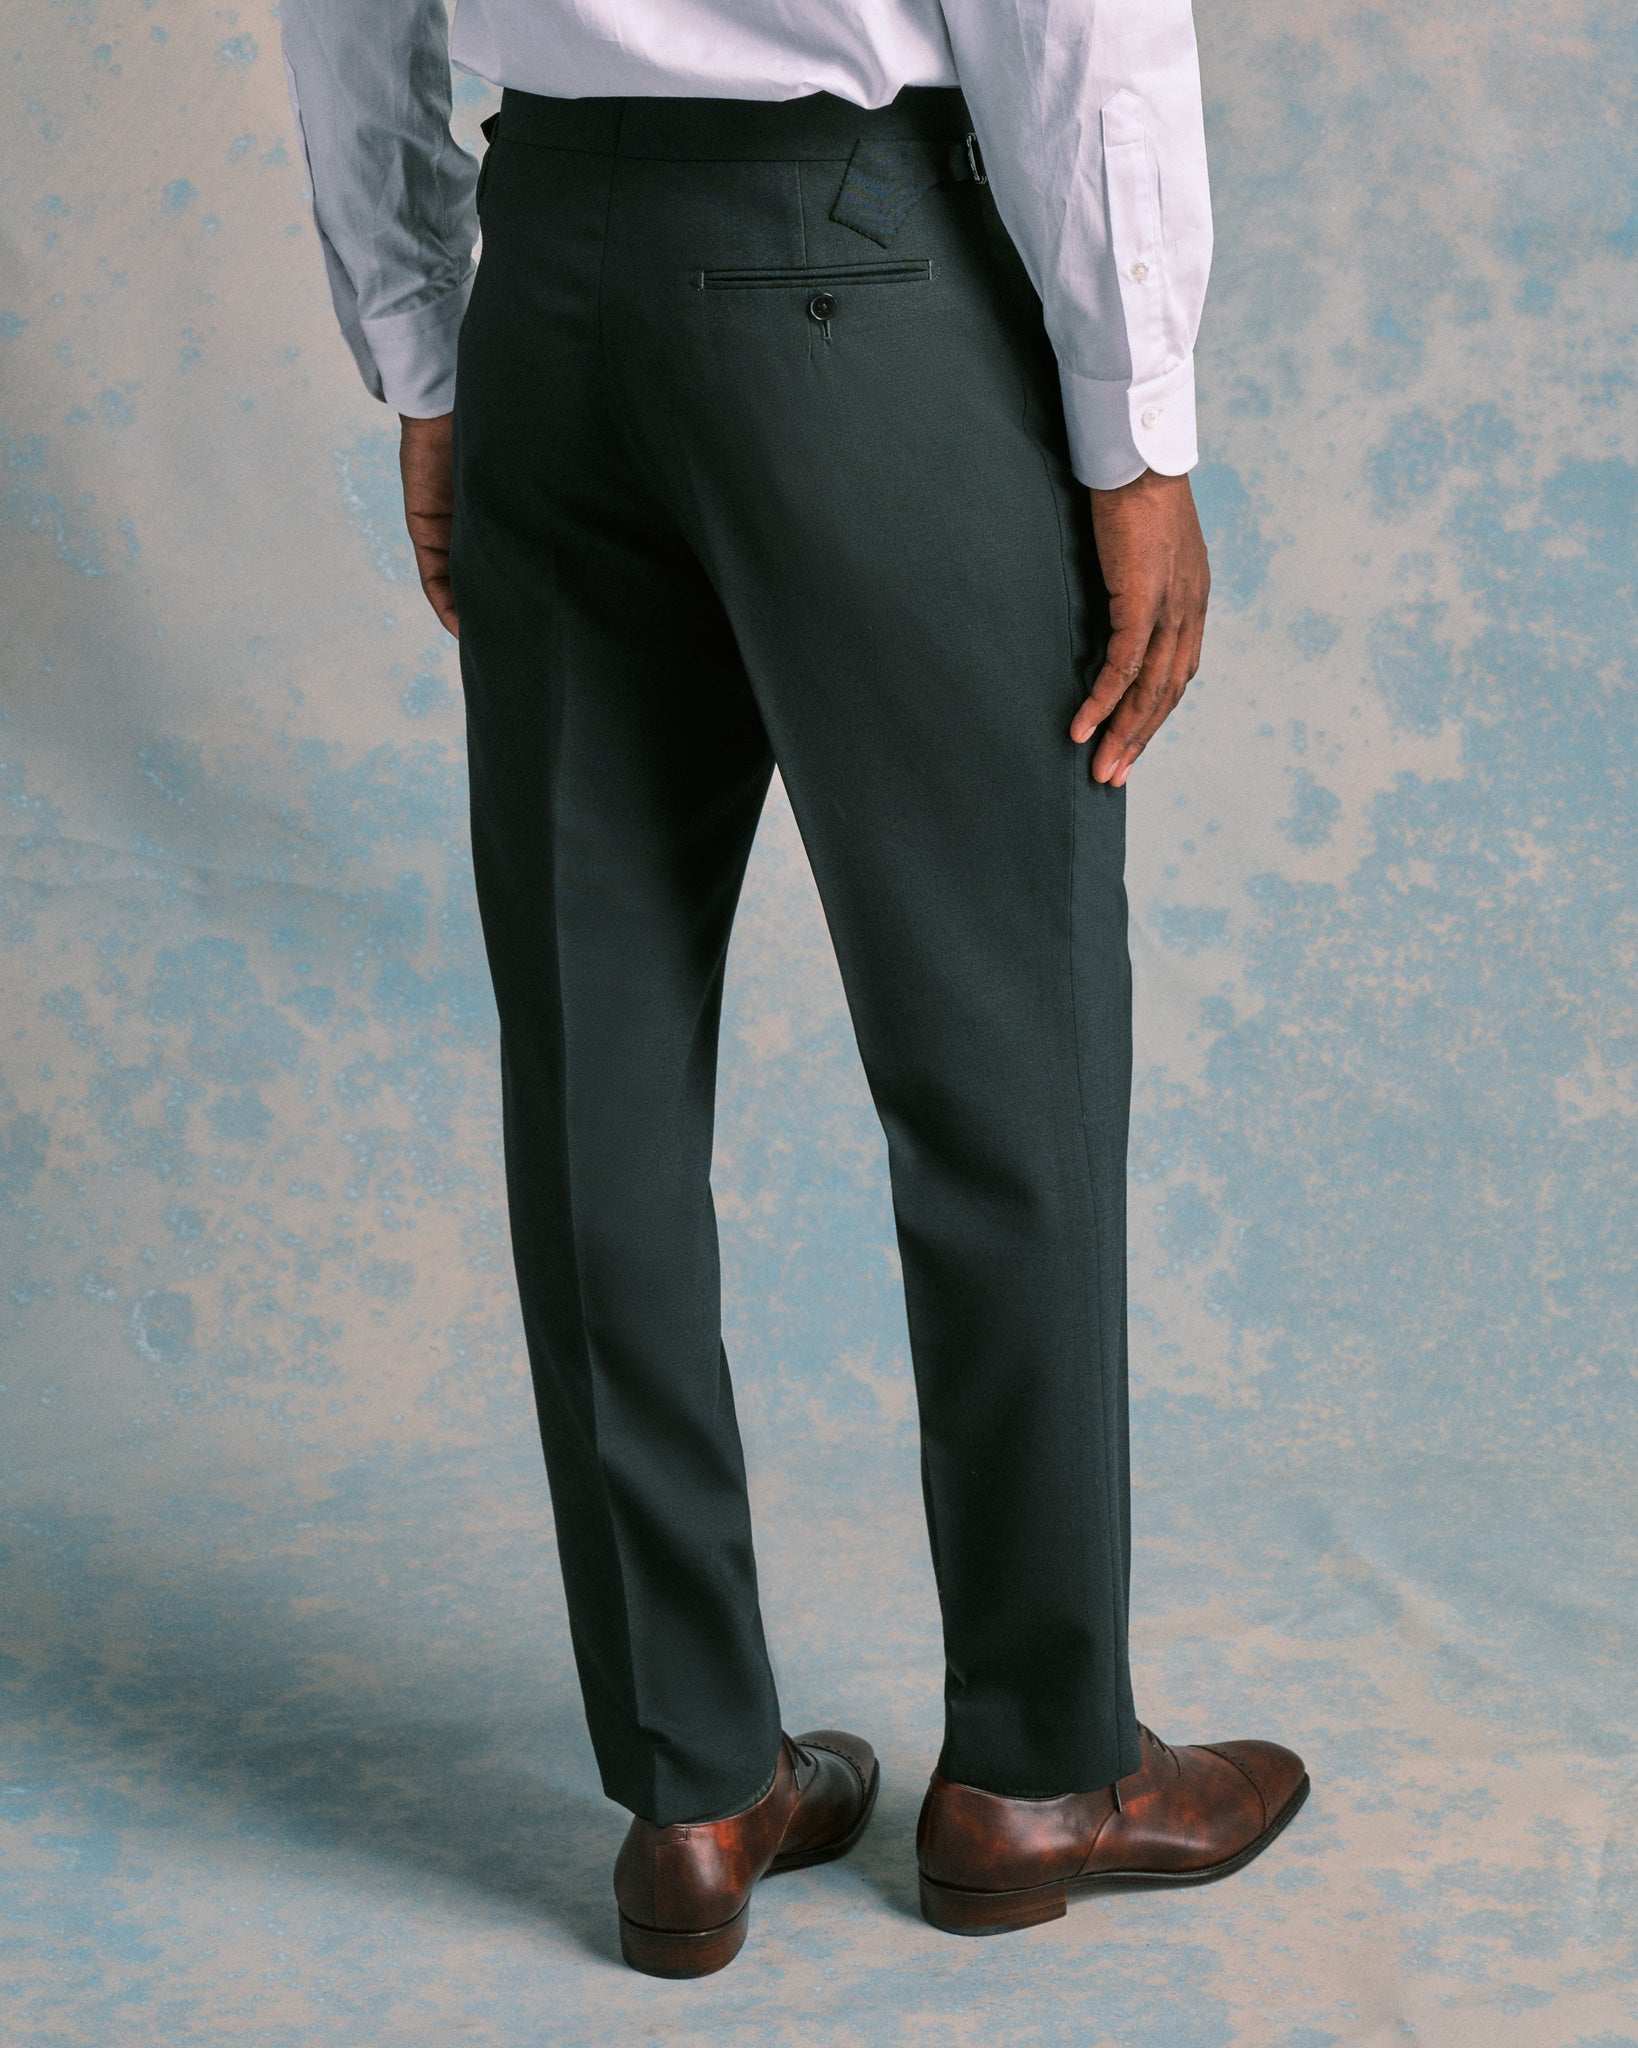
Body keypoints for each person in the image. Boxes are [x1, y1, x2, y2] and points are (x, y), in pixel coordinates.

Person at [279, 0, 1309, 1979]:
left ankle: (691, 1789)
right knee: (999, 1051)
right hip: (855, 274)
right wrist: (1137, 429)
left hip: (552, 286)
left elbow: (346, 21)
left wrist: (423, 350)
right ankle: (1040, 1765)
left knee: (592, 1069)